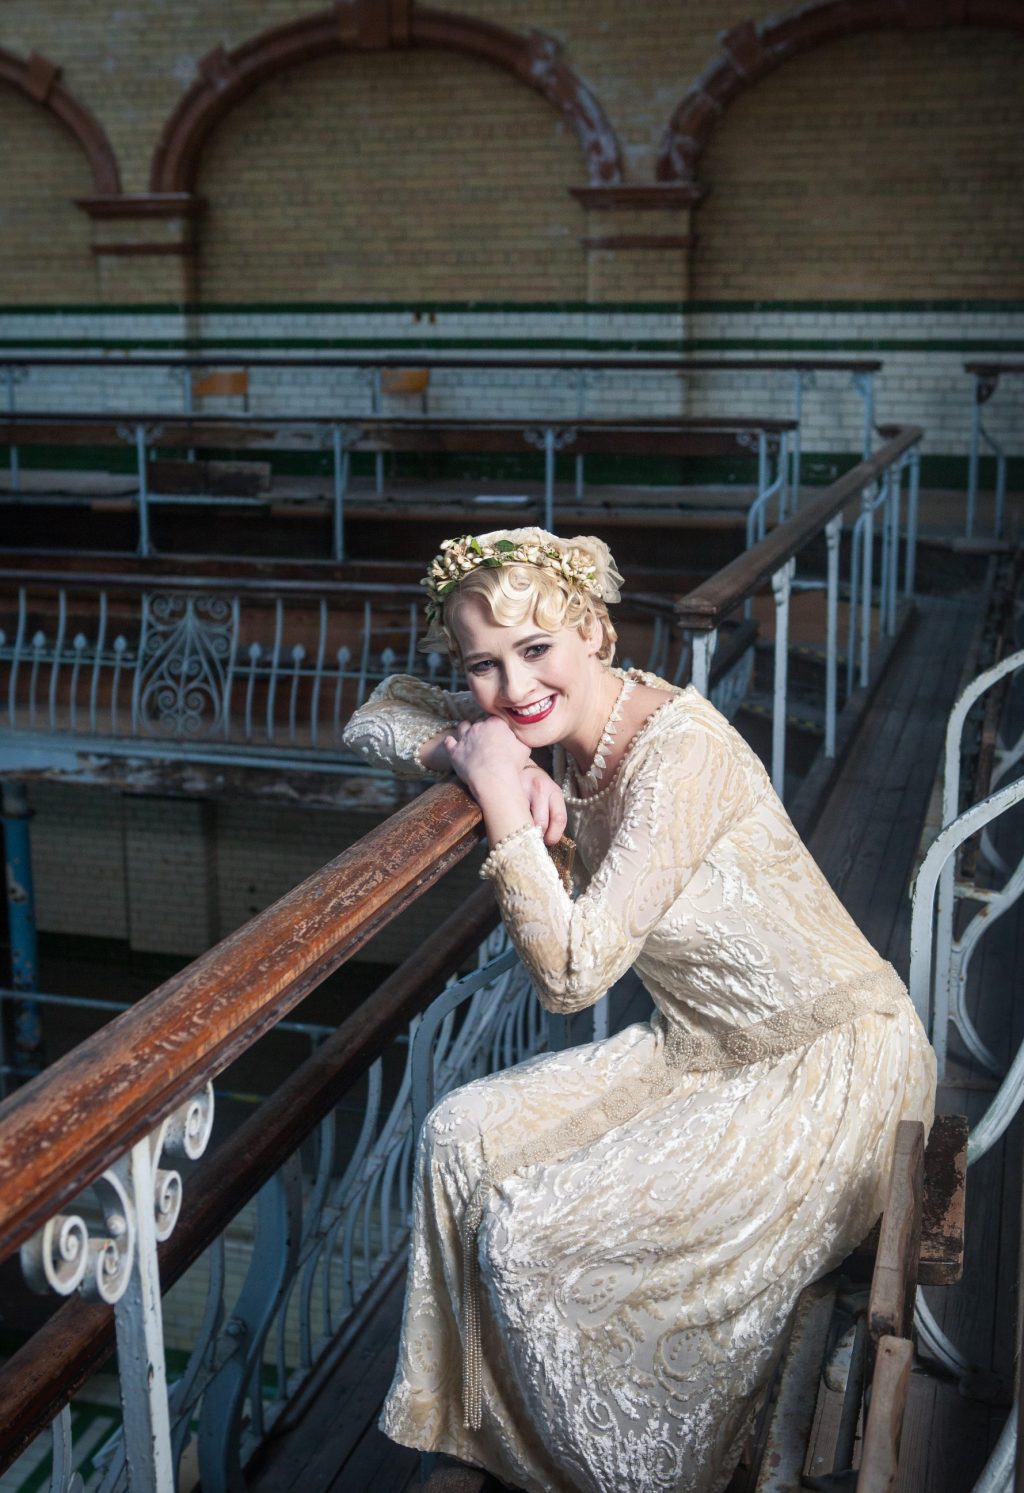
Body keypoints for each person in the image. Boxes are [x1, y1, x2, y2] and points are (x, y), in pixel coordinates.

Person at [341, 527, 936, 1493]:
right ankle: (487, 1441)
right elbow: (375, 713)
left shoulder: (678, 755)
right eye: (481, 667)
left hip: (830, 1065)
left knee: (528, 1237)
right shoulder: (544, 727)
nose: (514, 687)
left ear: (592, 633)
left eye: (536, 651)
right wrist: (460, 742)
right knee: (457, 1136)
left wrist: (495, 788)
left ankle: (617, 1473)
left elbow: (573, 976)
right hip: (700, 1046)